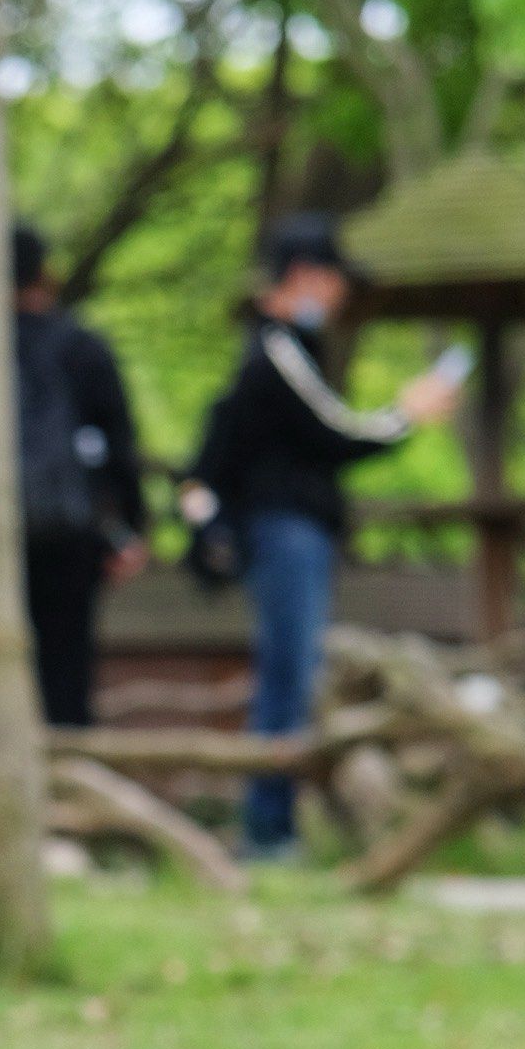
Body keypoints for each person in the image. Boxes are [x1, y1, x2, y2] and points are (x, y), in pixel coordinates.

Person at [184, 213, 459, 860]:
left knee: (291, 674)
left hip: (292, 533)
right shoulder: (277, 351)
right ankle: (268, 828)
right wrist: (405, 416)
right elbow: (333, 434)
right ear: (306, 277)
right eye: (334, 282)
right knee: (289, 676)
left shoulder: (279, 352)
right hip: (284, 533)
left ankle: (276, 823)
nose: (336, 299)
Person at [11, 221, 147, 729]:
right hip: (71, 534)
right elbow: (118, 445)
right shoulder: (83, 348)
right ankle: (66, 778)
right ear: (46, 275)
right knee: (67, 666)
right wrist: (129, 527)